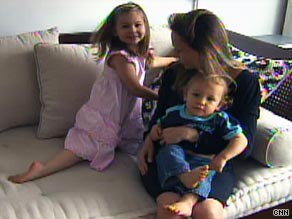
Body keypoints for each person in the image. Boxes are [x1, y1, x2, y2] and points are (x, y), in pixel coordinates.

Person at [8, 2, 177, 184]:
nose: (133, 30)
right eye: (125, 26)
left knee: (133, 143)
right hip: (106, 111)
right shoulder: (120, 57)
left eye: (138, 25)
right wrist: (160, 98)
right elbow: (133, 87)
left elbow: (153, 62)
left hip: (124, 113)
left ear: (145, 25)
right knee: (83, 148)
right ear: (115, 31)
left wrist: (176, 59)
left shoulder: (141, 53)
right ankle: (42, 168)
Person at [138, 9, 261, 219]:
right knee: (170, 209)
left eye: (181, 50)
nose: (176, 55)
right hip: (170, 158)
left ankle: (192, 198)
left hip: (210, 164)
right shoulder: (175, 74)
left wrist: (192, 134)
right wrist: (147, 142)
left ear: (205, 50)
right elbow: (160, 116)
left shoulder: (245, 82)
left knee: (209, 212)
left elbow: (245, 144)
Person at [149, 71, 247, 217]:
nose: (201, 102)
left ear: (220, 105)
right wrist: (154, 132)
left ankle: (188, 202)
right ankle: (183, 176)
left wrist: (223, 157)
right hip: (177, 160)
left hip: (204, 159)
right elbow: (158, 128)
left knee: (206, 171)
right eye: (196, 95)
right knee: (168, 151)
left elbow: (241, 140)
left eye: (210, 99)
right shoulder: (174, 113)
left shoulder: (220, 119)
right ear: (185, 95)